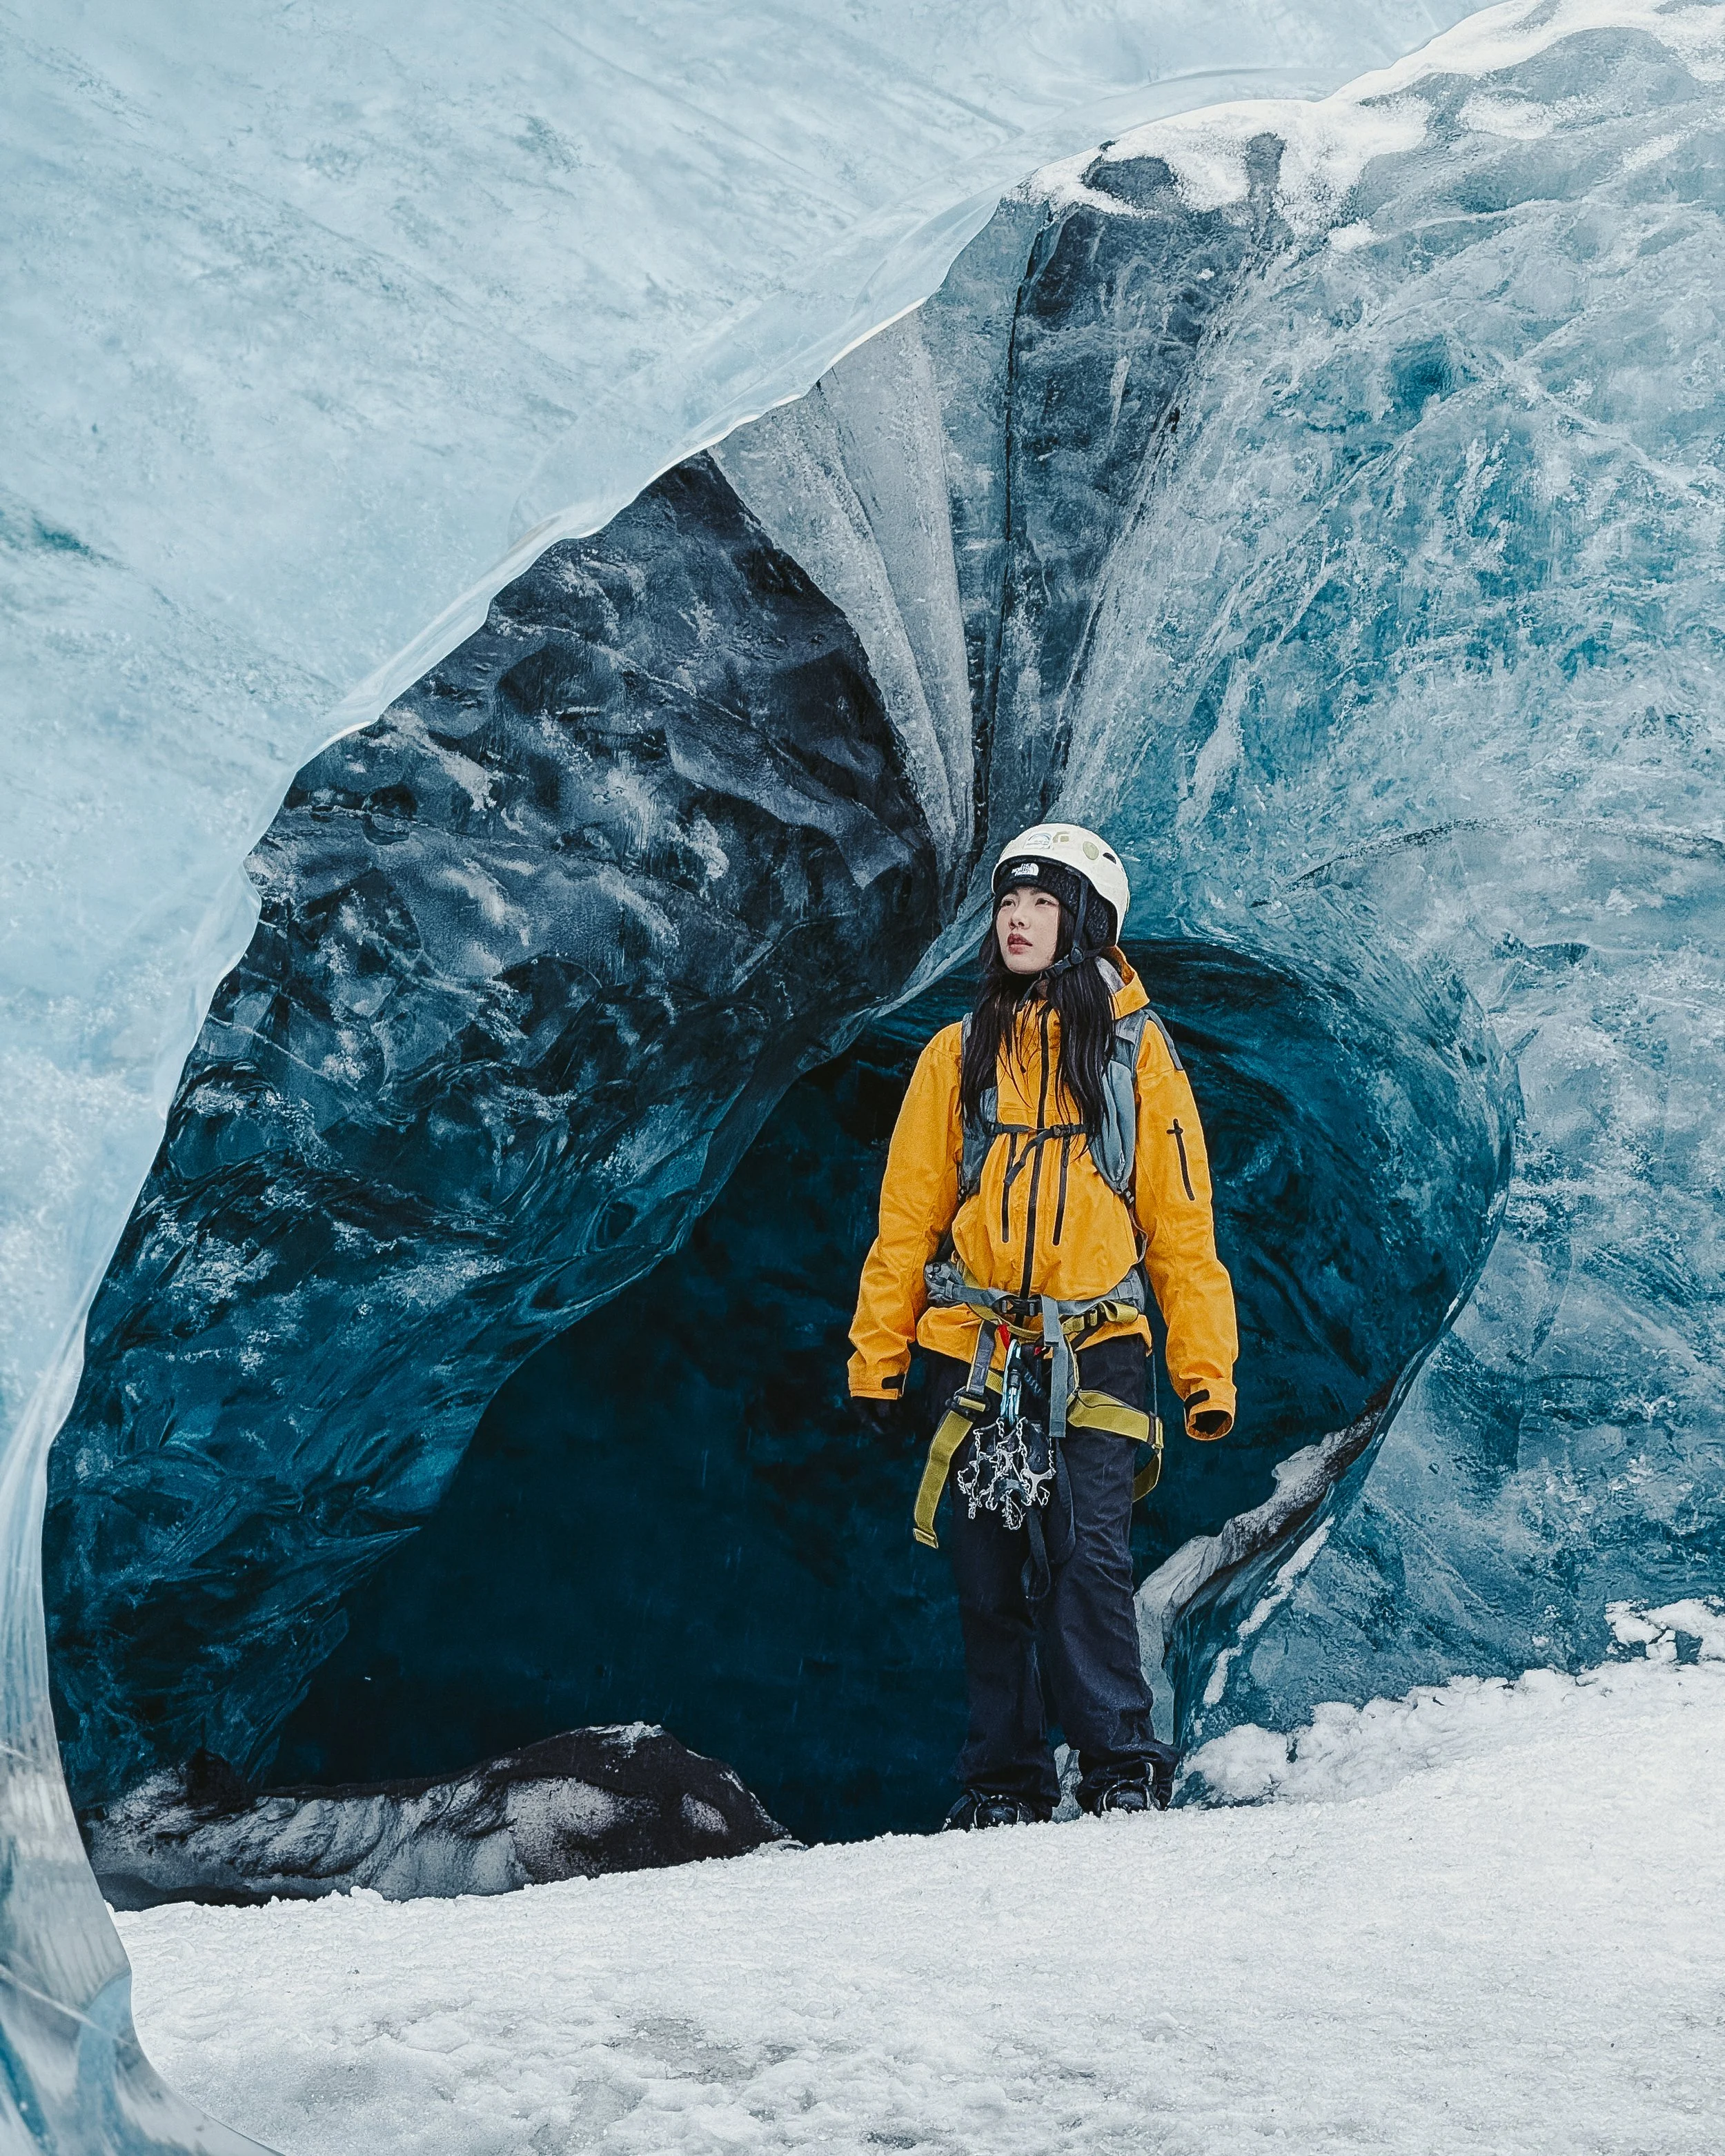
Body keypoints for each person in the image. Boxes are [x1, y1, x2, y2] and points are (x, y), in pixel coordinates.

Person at [848, 823, 1239, 1826]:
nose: (1015, 920)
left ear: (1088, 922)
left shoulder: (1139, 1058)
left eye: (1042, 903)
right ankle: (1003, 1782)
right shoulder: (956, 1054)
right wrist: (877, 1356)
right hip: (974, 1349)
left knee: (1085, 1560)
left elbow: (1181, 1225)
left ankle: (1120, 1767)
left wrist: (1205, 1372)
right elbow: (908, 1220)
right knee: (985, 1575)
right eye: (1007, 903)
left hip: (1096, 1348)